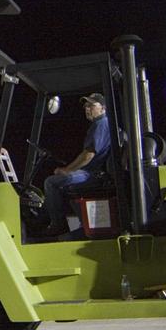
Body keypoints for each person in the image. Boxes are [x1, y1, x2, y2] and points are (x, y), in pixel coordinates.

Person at [41, 93, 112, 236]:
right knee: (62, 183)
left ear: (103, 108)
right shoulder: (101, 124)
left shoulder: (100, 124)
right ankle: (81, 222)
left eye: (91, 105)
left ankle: (58, 225)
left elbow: (88, 155)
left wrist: (67, 170)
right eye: (86, 106)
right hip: (94, 172)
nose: (87, 108)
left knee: (51, 183)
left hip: (93, 175)